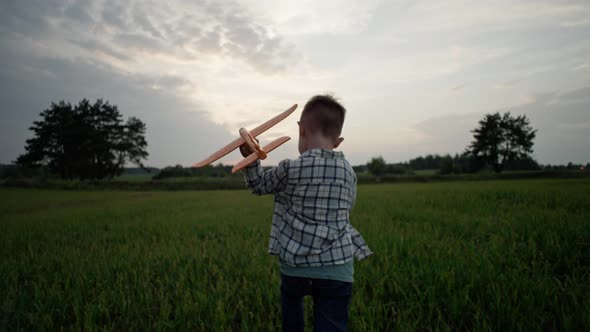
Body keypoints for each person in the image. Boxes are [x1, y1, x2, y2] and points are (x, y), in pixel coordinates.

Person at [239, 95, 372, 331]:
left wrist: (251, 159)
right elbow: (348, 207)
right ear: (338, 141)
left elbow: (258, 185)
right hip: (338, 267)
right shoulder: (349, 172)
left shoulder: (291, 168)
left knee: (292, 314)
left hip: (295, 267)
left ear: (301, 132)